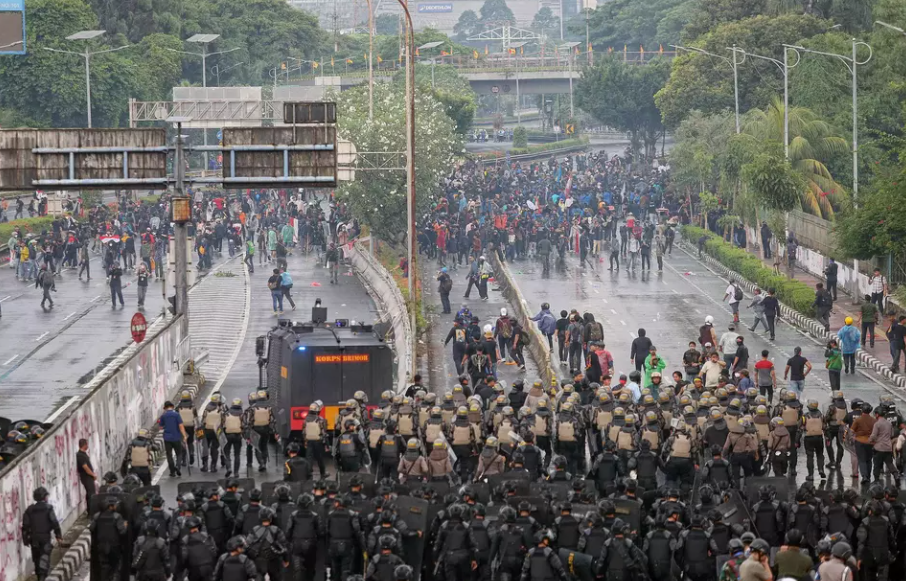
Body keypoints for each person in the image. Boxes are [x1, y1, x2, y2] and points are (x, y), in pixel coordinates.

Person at [22, 487, 63, 581]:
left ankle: (39, 576)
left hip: (34, 539)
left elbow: (25, 526)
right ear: (44, 497)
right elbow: (54, 522)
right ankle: (42, 577)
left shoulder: (29, 510)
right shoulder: (48, 508)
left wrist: (26, 540)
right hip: (45, 538)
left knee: (37, 559)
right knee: (44, 559)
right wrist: (58, 536)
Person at [158, 400, 188, 478]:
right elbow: (181, 426)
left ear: (165, 408)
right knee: (179, 453)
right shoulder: (176, 415)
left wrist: (165, 426)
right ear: (172, 407)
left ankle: (172, 471)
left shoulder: (163, 416)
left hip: (167, 438)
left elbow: (161, 426)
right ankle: (178, 467)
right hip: (176, 437)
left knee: (169, 455)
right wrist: (184, 436)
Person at [76, 438, 97, 508]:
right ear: (84, 445)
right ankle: (91, 511)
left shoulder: (82, 454)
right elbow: (85, 467)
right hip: (86, 477)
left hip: (87, 477)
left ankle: (90, 511)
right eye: (87, 444)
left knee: (90, 493)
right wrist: (93, 474)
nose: (88, 445)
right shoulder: (80, 456)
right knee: (91, 494)